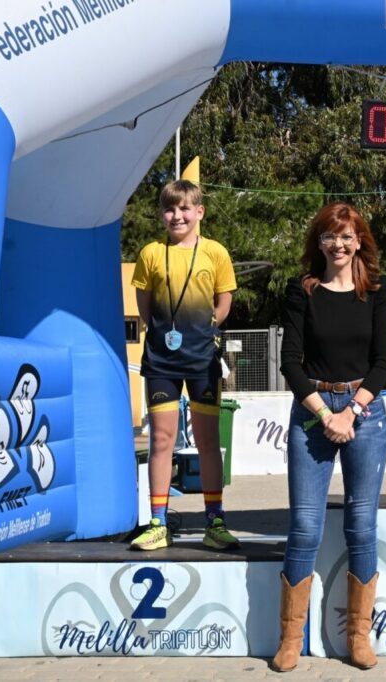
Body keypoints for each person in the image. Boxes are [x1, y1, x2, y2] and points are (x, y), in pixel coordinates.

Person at [273, 202, 386, 672]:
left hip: (366, 414)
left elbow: (384, 361)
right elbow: (291, 363)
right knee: (304, 527)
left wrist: (353, 411)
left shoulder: (377, 292)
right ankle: (289, 639)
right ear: (318, 242)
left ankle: (359, 637)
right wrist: (326, 414)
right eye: (329, 236)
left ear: (359, 239)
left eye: (346, 236)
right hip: (312, 414)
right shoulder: (301, 290)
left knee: (361, 527)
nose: (338, 245)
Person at [130, 179, 239, 551]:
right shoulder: (150, 253)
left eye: (184, 209)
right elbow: (144, 306)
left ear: (199, 212)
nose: (177, 216)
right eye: (170, 209)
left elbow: (223, 301)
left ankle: (215, 522)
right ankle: (158, 523)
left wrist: (208, 328)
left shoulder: (216, 252)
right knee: (161, 440)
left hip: (203, 360)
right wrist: (163, 332)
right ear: (162, 214)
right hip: (161, 360)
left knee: (208, 442)